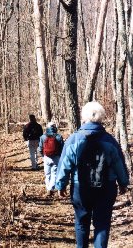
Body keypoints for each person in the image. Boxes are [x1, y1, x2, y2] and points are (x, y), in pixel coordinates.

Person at [56, 101, 129, 248]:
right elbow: (119, 164)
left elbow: (64, 165)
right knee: (102, 224)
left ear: (84, 117)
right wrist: (123, 183)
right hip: (106, 188)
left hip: (80, 188)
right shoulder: (110, 141)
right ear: (101, 118)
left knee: (81, 223)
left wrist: (61, 185)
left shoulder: (73, 140)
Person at [39, 122, 64, 196]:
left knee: (47, 174)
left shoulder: (43, 136)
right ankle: (50, 189)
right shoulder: (59, 136)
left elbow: (40, 148)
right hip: (56, 157)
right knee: (54, 174)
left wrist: (43, 156)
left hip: (46, 157)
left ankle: (48, 188)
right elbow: (62, 148)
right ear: (55, 127)